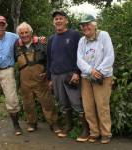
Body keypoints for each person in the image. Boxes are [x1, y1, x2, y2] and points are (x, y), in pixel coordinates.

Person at [47, 10, 89, 141]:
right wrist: (49, 78)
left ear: (66, 20)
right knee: (63, 104)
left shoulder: (74, 35)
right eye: (56, 19)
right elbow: (49, 59)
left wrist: (77, 72)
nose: (58, 21)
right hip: (56, 76)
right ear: (54, 22)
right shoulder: (51, 39)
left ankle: (86, 129)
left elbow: (81, 55)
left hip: (71, 75)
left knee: (76, 102)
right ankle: (68, 126)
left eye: (61, 18)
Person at [15, 22, 61, 134]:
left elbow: (50, 59)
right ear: (19, 35)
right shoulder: (16, 46)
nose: (24, 35)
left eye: (26, 32)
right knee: (27, 104)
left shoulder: (41, 43)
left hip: (41, 79)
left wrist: (47, 72)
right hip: (25, 81)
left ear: (31, 32)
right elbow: (13, 61)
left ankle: (53, 124)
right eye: (21, 33)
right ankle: (32, 123)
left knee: (47, 103)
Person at [77, 14, 114, 144]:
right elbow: (79, 59)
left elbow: (109, 56)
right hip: (87, 78)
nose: (86, 27)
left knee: (102, 106)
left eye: (88, 24)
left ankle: (106, 133)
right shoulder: (82, 41)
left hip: (102, 77)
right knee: (88, 107)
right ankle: (94, 132)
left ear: (94, 25)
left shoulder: (104, 35)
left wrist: (98, 71)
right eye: (83, 25)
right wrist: (90, 70)